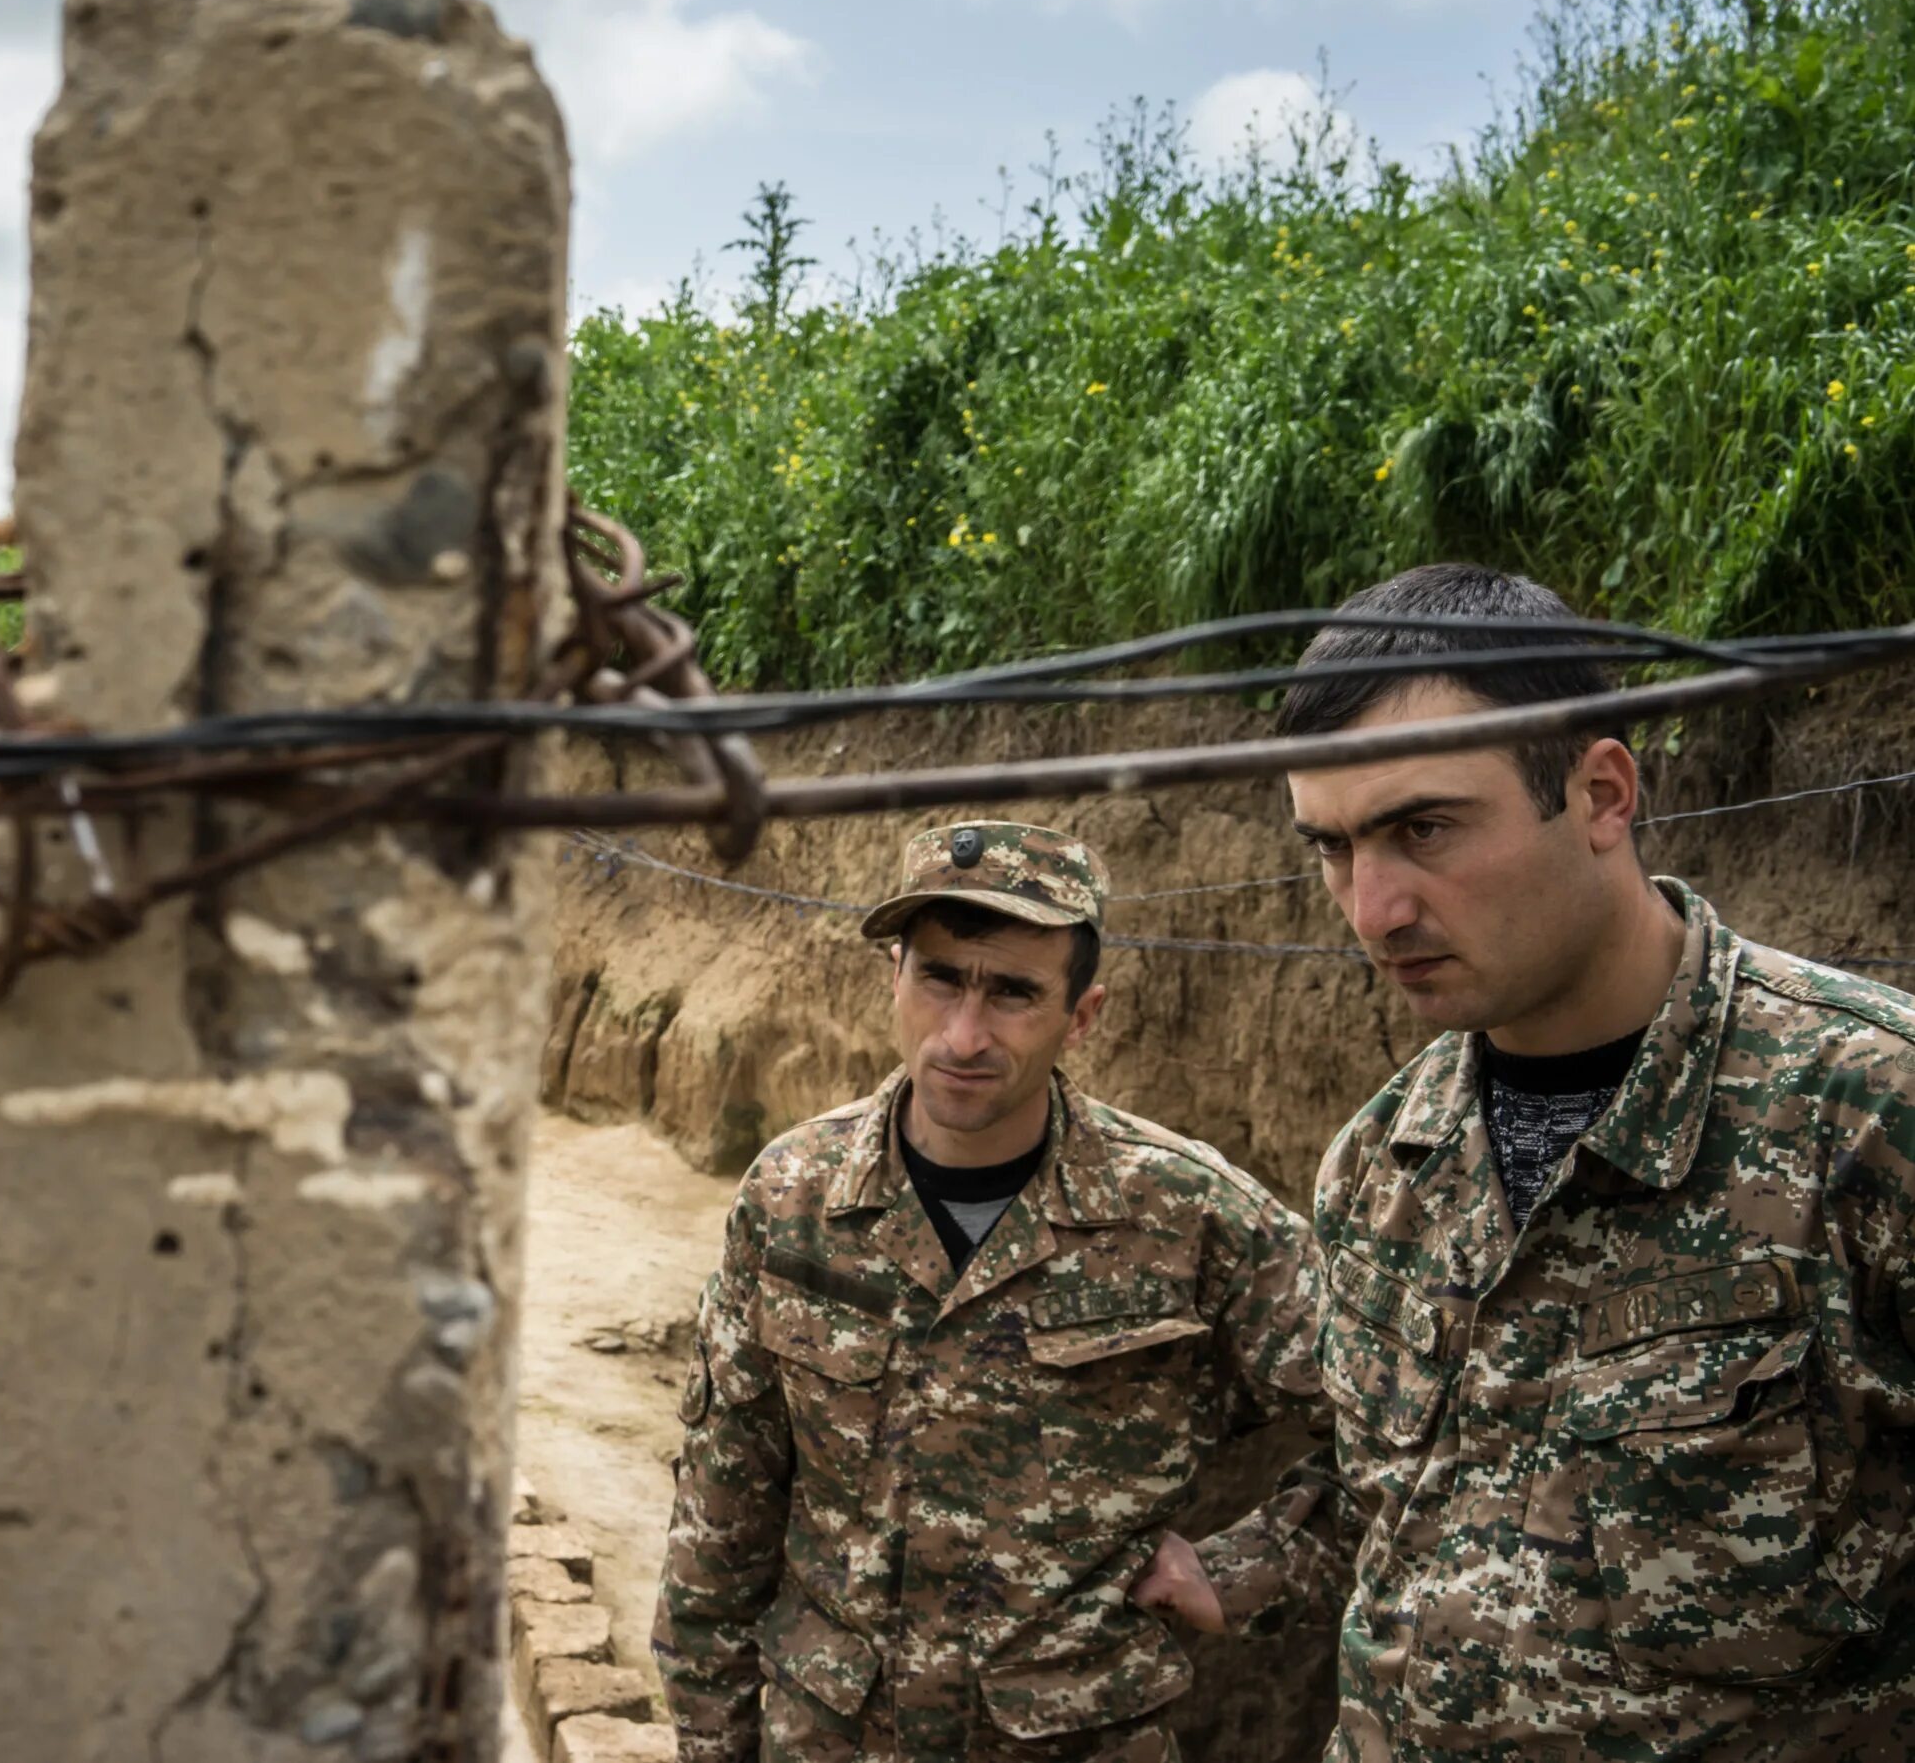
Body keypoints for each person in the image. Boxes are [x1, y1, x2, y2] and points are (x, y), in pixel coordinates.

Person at [1280, 562, 1915, 1758]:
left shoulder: (1865, 1114)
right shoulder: (1378, 1169)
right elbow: (1389, 1538)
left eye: (1423, 828)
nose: (1371, 909)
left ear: (1602, 792)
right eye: (1331, 848)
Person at [653, 821, 1333, 1762]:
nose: (964, 1036)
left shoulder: (1195, 1220)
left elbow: (1400, 1440)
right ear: (894, 976)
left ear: (1082, 1016)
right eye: (939, 978)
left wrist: (1249, 1569)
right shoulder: (792, 1200)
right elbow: (720, 1519)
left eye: (1013, 992)